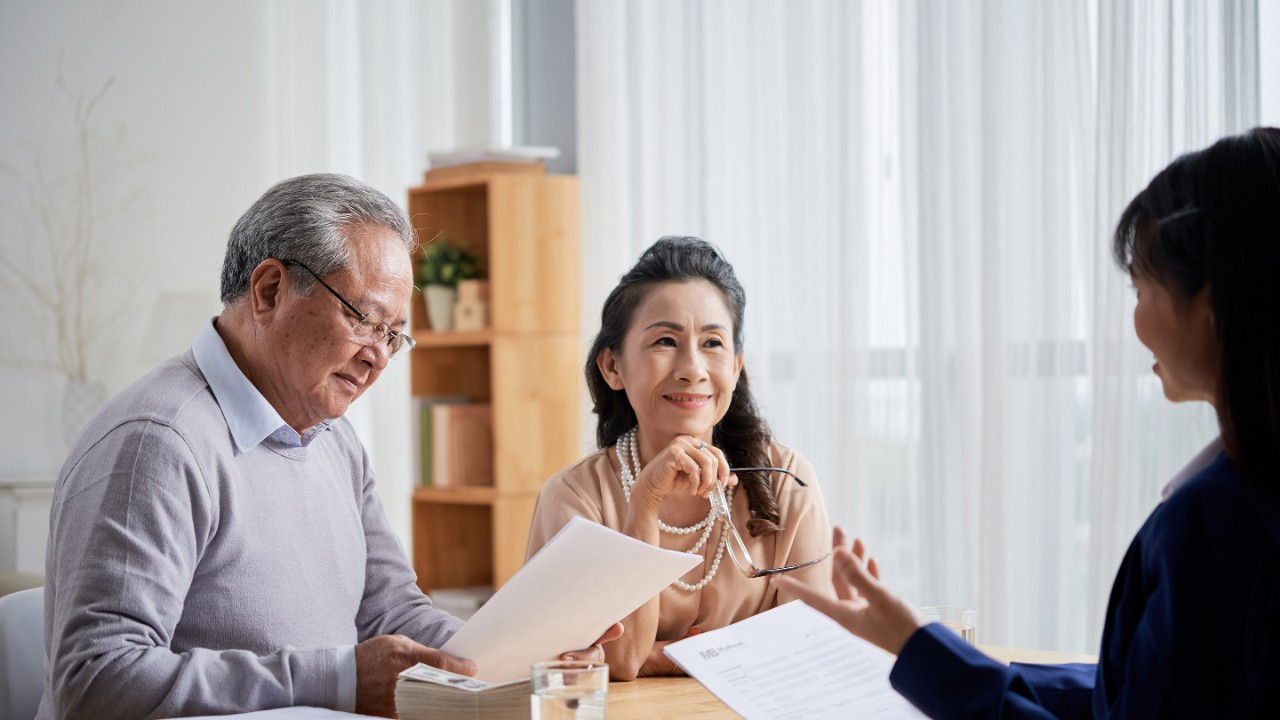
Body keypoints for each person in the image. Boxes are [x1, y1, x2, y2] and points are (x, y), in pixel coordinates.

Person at [37, 174, 619, 720]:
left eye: (393, 335)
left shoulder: (332, 439)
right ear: (269, 291)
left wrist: (521, 654)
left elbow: (392, 613)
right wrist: (337, 678)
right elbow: (94, 681)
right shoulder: (159, 443)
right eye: (364, 320)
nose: (380, 357)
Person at [779, 127, 1280, 717]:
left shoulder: (1216, 520)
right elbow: (1149, 690)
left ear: (1213, 303)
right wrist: (927, 649)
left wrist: (917, 650)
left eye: (1141, 288)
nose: (1136, 320)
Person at [525, 236, 835, 681]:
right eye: (666, 340)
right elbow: (612, 663)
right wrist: (645, 501)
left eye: (712, 343)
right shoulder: (575, 498)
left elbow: (809, 646)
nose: (692, 368)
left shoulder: (788, 482)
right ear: (612, 366)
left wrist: (666, 655)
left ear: (735, 365)